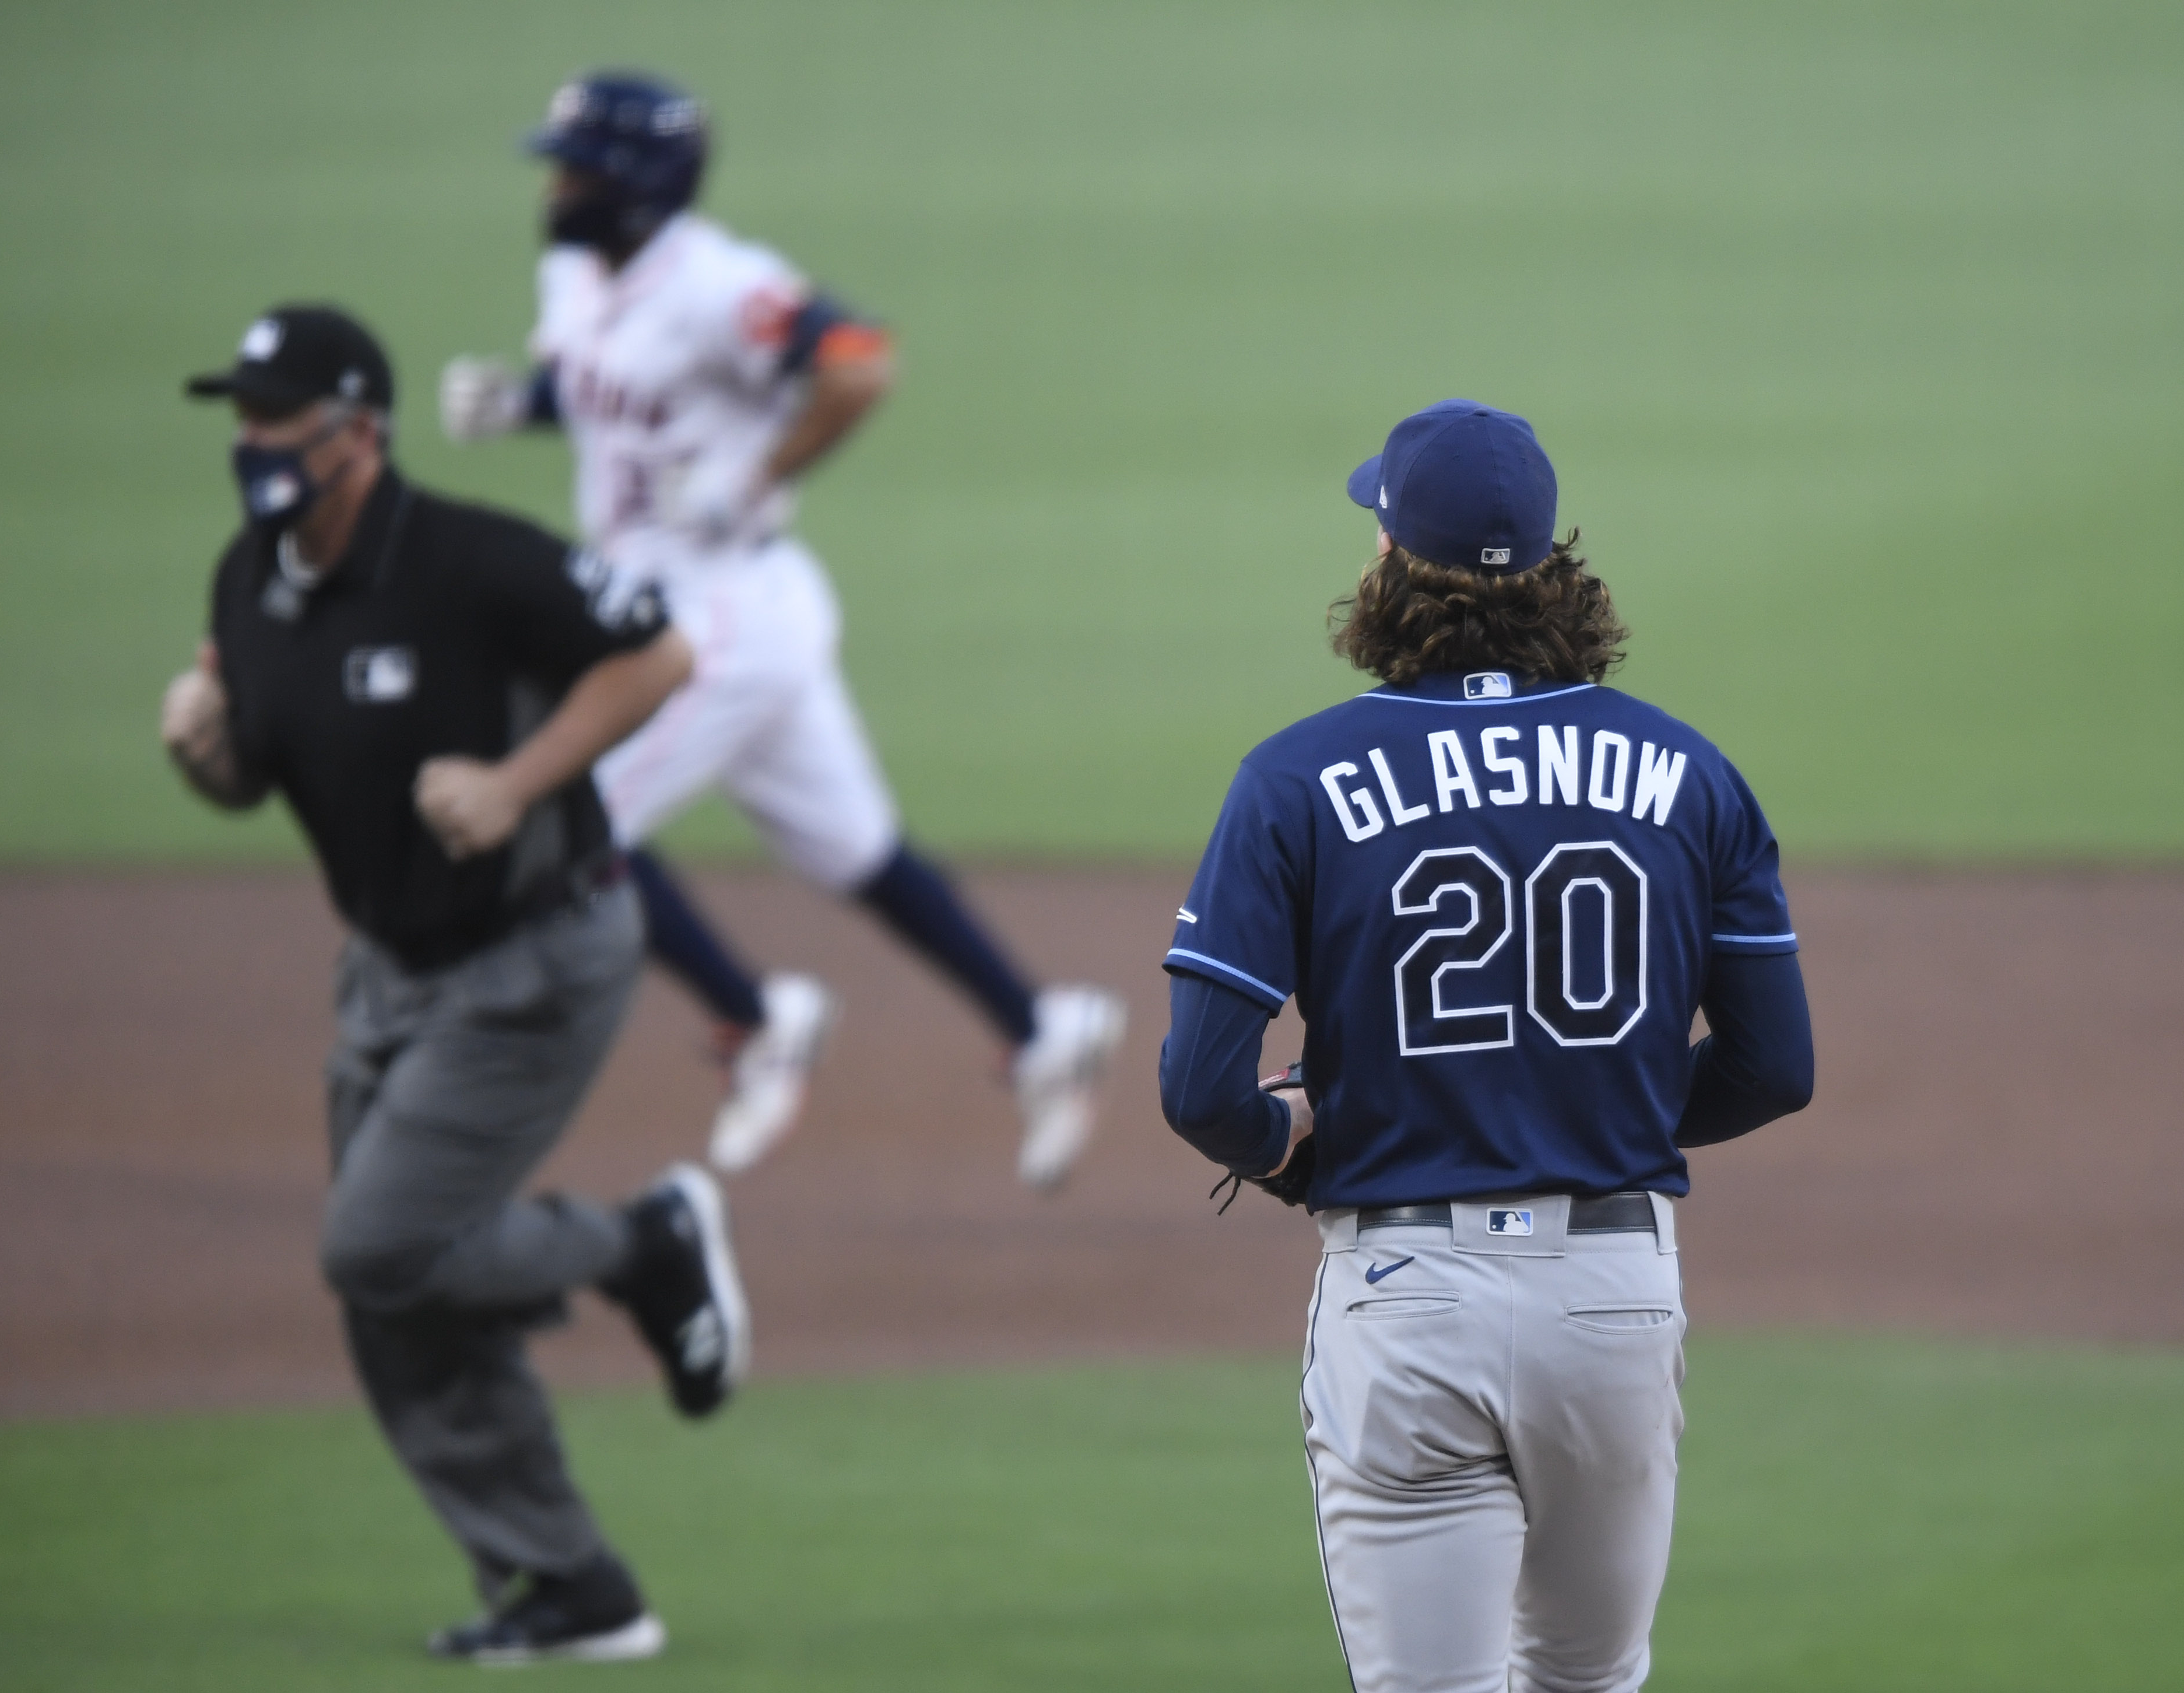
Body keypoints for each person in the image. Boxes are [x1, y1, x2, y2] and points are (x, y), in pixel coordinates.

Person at [1157, 399, 1814, 1691]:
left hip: (1408, 1304)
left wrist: (1291, 1141)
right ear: (1557, 569)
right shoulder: (1689, 774)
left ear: (1393, 565)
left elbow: (1198, 1087)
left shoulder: (1297, 779)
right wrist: (1581, 1099)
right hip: (1613, 1298)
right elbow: (1772, 1070)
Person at [161, 303, 752, 1665]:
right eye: (240, 420)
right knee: (400, 1292)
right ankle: (572, 1591)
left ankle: (647, 1244)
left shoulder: (470, 562)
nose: (253, 447)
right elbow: (254, 773)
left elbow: (657, 651)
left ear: (359, 430)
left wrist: (514, 783)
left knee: (375, 1246)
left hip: (539, 951)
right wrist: (201, 753)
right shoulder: (246, 582)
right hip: (390, 969)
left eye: (278, 420)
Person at [438, 71, 1125, 1187]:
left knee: (572, 816)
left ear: (635, 183)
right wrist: (525, 406)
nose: (555, 189)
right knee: (858, 848)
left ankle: (757, 1020)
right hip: (669, 602)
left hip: (721, 616)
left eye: (575, 168)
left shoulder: (720, 284)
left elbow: (860, 363)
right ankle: (1044, 1028)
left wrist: (752, 473)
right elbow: (617, 389)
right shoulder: (574, 272)